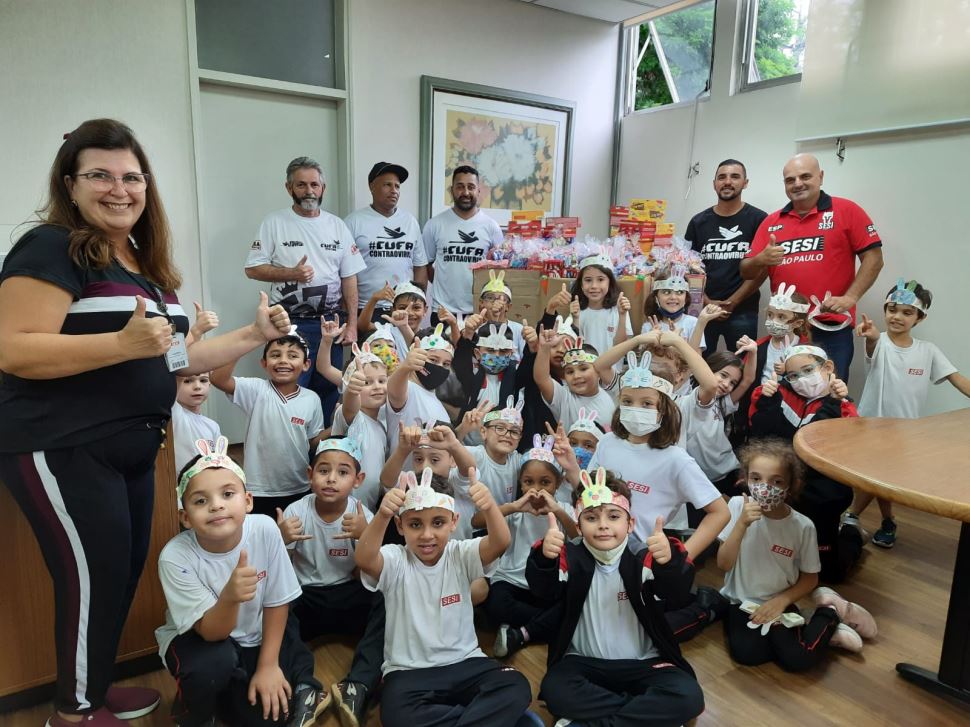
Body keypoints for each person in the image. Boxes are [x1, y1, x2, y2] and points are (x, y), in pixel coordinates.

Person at [0, 118, 291, 727]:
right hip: (61, 447)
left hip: (132, 450)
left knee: (118, 575)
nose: (119, 188)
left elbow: (176, 357)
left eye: (131, 176)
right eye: (100, 175)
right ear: (70, 183)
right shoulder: (50, 246)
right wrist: (122, 345)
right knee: (90, 580)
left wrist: (251, 335)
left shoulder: (140, 264)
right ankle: (73, 715)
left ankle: (96, 688)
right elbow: (12, 347)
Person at [158, 438, 325, 727]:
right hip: (204, 641)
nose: (216, 506)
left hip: (254, 636)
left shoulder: (265, 529)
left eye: (227, 493)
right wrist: (230, 597)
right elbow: (212, 634)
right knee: (211, 669)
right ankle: (191, 713)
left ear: (247, 501)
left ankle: (231, 691)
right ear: (186, 517)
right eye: (201, 500)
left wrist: (268, 666)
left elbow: (277, 600)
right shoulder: (175, 557)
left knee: (270, 716)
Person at [354, 468, 535, 727]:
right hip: (408, 673)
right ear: (400, 525)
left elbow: (500, 542)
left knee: (515, 685)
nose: (427, 534)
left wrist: (490, 508)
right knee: (396, 715)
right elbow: (364, 559)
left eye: (438, 523)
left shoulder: (460, 553)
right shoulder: (395, 558)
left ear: (454, 521)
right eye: (415, 524)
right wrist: (382, 514)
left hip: (467, 663)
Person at [526, 467, 705, 727]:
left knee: (689, 697)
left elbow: (676, 594)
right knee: (555, 690)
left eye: (613, 516)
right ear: (578, 525)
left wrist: (669, 563)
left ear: (630, 523)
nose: (603, 525)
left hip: (646, 662)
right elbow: (543, 592)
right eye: (591, 517)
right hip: (582, 663)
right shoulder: (569, 556)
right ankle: (645, 715)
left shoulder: (645, 557)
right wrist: (544, 559)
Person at [717, 438, 877, 670]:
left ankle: (829, 613)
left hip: (782, 601)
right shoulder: (736, 507)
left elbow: (810, 578)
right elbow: (723, 564)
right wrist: (741, 525)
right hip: (741, 602)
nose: (764, 487)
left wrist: (781, 601)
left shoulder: (802, 526)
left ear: (791, 486)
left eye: (777, 481)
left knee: (797, 659)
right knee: (748, 654)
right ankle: (810, 629)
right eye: (756, 478)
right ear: (746, 479)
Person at [845, 279, 970, 548]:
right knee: (877, 475)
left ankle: (868, 518)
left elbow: (958, 379)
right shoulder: (880, 342)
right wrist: (871, 336)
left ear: (920, 318)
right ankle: (861, 518)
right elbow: (873, 347)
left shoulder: (928, 351)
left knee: (881, 476)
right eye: (892, 309)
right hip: (869, 425)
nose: (897, 316)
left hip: (904, 431)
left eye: (907, 312)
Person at [740, 153, 885, 380]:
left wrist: (850, 298)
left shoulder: (847, 210)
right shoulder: (772, 221)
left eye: (805, 176)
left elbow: (875, 259)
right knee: (782, 394)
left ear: (821, 177)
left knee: (829, 394)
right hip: (786, 327)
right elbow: (746, 271)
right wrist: (761, 259)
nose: (798, 184)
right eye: (790, 180)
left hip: (830, 327)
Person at [245, 156, 366, 424]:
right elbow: (252, 269)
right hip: (287, 323)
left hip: (329, 325)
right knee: (290, 391)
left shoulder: (337, 225)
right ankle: (288, 452)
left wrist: (353, 325)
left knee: (329, 391)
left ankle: (320, 453)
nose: (309, 191)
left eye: (314, 184)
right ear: (289, 188)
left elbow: (349, 278)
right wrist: (291, 273)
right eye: (301, 185)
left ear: (323, 188)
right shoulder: (274, 222)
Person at [278, 437, 385, 727]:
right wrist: (281, 541)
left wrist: (366, 535)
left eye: (343, 472)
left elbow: (376, 571)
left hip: (349, 594)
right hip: (306, 597)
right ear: (309, 474)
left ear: (358, 479)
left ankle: (358, 685)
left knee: (387, 600)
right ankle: (304, 688)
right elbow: (279, 575)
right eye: (323, 470)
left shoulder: (363, 515)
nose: (331, 479)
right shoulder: (295, 513)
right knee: (275, 608)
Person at [748, 344, 862, 582]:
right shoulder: (778, 394)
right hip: (785, 489)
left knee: (830, 573)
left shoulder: (843, 406)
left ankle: (851, 534)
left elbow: (822, 444)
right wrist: (767, 400)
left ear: (827, 367)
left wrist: (833, 402)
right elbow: (761, 439)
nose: (801, 380)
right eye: (793, 375)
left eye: (808, 370)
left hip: (822, 496)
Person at [479, 435, 579, 659]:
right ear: (520, 482)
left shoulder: (563, 508)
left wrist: (559, 512)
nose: (536, 489)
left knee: (571, 601)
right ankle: (549, 625)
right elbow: (477, 521)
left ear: (558, 483)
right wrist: (513, 507)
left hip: (548, 586)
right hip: (511, 581)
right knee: (495, 605)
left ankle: (521, 633)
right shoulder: (517, 508)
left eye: (545, 482)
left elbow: (579, 538)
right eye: (528, 481)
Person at [210, 333, 325, 517]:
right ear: (264, 363)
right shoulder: (256, 390)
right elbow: (218, 379)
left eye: (292, 356)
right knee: (259, 538)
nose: (283, 361)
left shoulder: (311, 399)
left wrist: (338, 424)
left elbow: (312, 441)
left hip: (299, 486)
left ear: (306, 365)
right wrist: (242, 346)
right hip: (259, 489)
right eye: (275, 355)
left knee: (293, 539)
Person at [686, 159, 768, 353]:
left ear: (745, 183)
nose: (728, 181)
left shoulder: (759, 219)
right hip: (704, 309)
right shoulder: (698, 222)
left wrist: (734, 302)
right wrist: (706, 301)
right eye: (722, 177)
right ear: (714, 183)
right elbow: (689, 268)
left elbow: (763, 269)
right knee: (699, 365)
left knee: (742, 365)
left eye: (735, 176)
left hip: (743, 310)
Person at [344, 162, 428, 313]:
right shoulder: (354, 221)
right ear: (372, 187)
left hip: (403, 308)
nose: (394, 191)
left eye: (397, 186)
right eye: (387, 185)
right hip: (366, 308)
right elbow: (345, 271)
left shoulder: (410, 222)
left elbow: (420, 266)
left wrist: (419, 301)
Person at [422, 165, 503, 316]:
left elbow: (500, 269)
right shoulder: (434, 224)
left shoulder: (492, 227)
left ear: (478, 191)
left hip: (480, 311)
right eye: (460, 187)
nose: (465, 192)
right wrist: (443, 283)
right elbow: (426, 264)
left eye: (471, 187)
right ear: (452, 190)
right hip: (442, 311)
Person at [567, 248, 632, 362]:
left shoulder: (618, 309)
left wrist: (622, 316)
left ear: (610, 282)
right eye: (588, 280)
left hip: (611, 374)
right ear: (581, 284)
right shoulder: (577, 310)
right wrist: (575, 319)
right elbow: (572, 346)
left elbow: (621, 347)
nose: (594, 286)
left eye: (600, 279)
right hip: (585, 374)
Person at [172, 372, 221, 473]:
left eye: (203, 380)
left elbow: (219, 460)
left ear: (210, 384)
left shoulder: (213, 425)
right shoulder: (175, 414)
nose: (197, 387)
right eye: (187, 381)